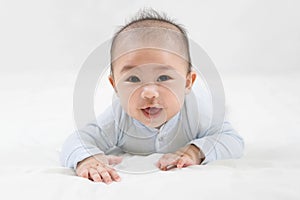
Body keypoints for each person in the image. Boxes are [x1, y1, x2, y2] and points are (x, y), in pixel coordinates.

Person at [60, 8, 244, 184]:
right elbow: (77, 140)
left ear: (188, 83)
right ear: (115, 85)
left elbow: (233, 140)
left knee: (221, 109)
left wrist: (195, 151)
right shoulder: (118, 119)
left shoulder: (197, 112)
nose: (149, 93)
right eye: (133, 78)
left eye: (163, 77)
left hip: (208, 102)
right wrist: (87, 159)